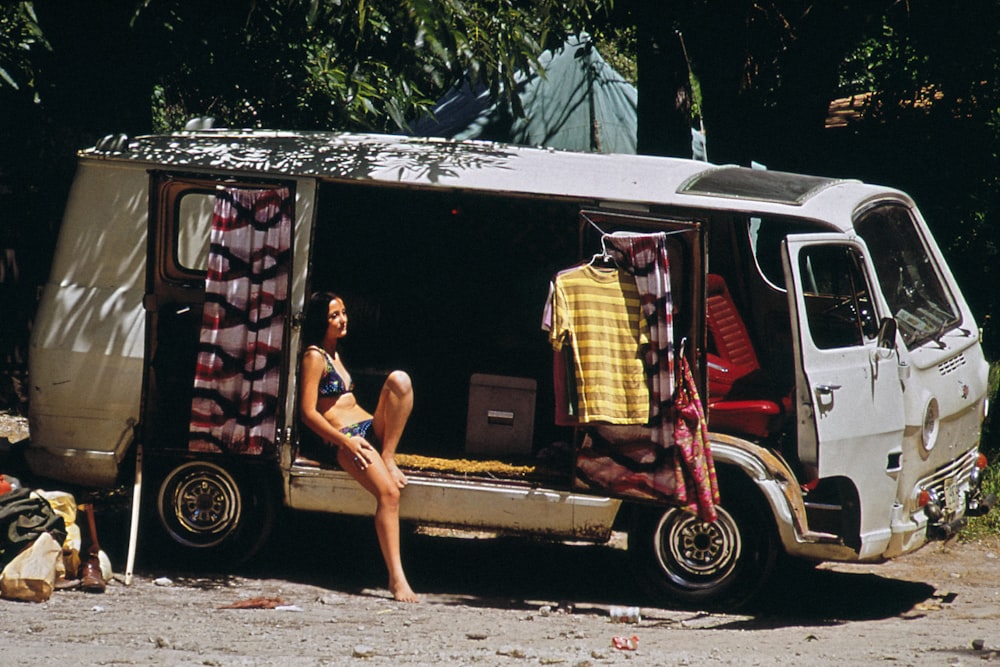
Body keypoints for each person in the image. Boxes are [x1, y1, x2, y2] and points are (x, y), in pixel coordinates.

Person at [299, 291, 418, 602]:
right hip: (345, 438)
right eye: (334, 316)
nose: (342, 319)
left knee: (400, 381)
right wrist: (346, 442)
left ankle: (389, 456)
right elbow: (308, 412)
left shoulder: (335, 352)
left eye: (343, 312)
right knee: (389, 495)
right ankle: (397, 579)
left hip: (366, 430)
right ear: (319, 322)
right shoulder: (314, 356)